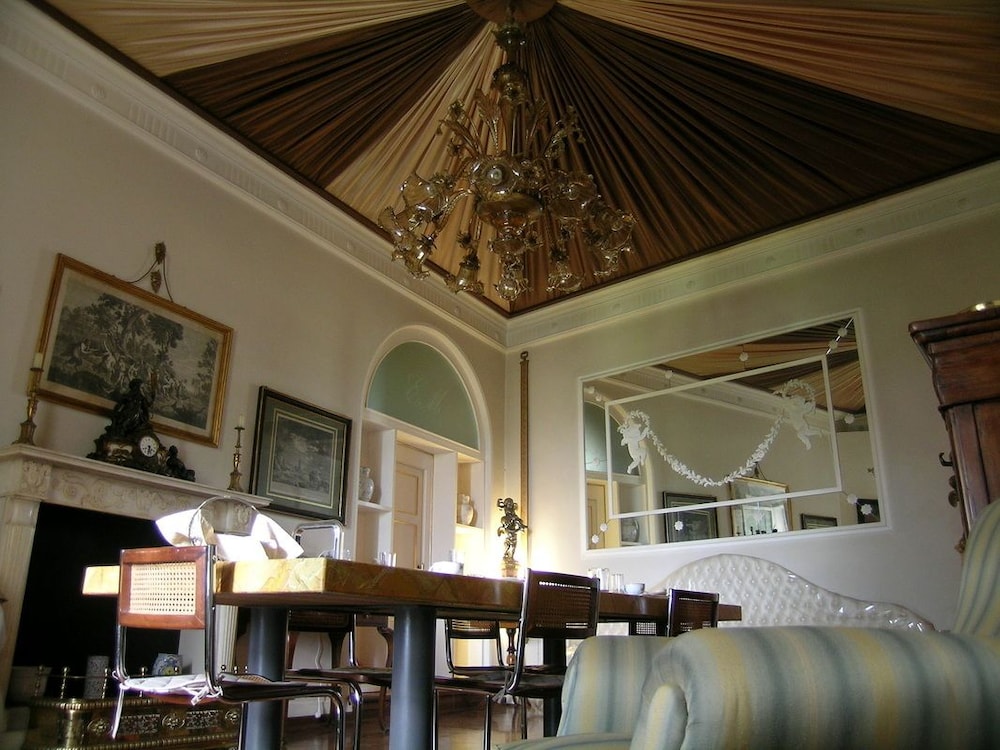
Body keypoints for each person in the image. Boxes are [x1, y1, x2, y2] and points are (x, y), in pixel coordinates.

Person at [497, 497, 527, 563]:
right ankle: (505, 555)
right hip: (509, 534)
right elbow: (500, 506)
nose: (510, 505)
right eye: (509, 504)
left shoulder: (514, 516)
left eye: (511, 504)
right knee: (507, 546)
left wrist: (520, 526)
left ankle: (512, 557)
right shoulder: (505, 518)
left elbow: (517, 520)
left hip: (513, 534)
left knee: (514, 546)